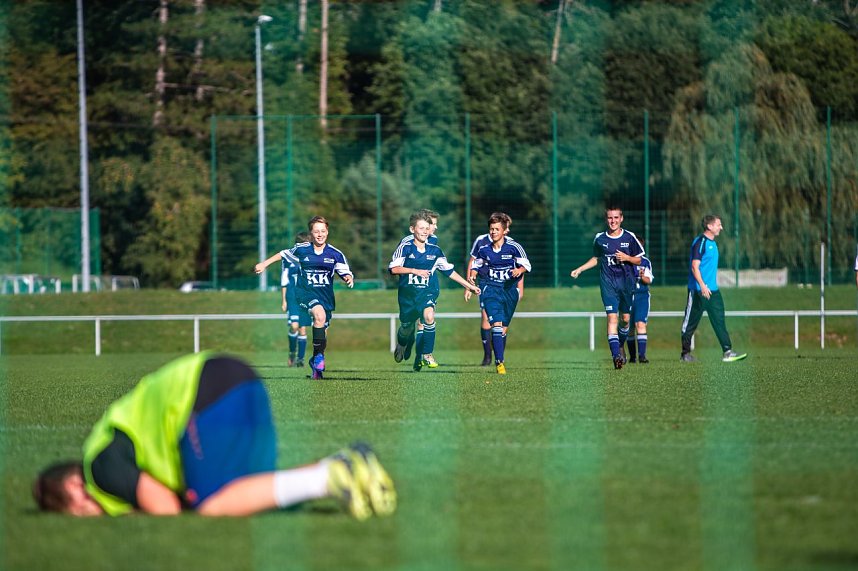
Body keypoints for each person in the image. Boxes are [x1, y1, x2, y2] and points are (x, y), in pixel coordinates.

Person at [33, 352, 396, 519]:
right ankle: (347, 466)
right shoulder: (109, 448)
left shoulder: (99, 467)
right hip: (237, 378)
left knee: (212, 507)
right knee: (252, 496)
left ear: (73, 489)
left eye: (78, 514)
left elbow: (166, 509)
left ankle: (331, 477)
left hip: (203, 392)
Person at [256, 216, 354, 379]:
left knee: (322, 329)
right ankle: (315, 358)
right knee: (319, 315)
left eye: (323, 231)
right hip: (305, 293)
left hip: (326, 297)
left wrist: (348, 278)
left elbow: (344, 271)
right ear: (311, 233)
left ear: (327, 232)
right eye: (316, 231)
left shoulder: (335, 254)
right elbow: (282, 254)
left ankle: (316, 363)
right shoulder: (302, 249)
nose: (320, 234)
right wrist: (264, 264)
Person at [391, 211, 480, 371]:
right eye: (422, 228)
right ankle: (403, 343)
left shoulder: (435, 250)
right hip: (408, 295)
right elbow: (393, 269)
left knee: (428, 316)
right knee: (406, 327)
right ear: (412, 229)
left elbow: (448, 271)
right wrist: (414, 271)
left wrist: (469, 285)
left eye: (428, 227)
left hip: (427, 292)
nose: (427, 231)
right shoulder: (405, 246)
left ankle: (427, 354)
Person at [570, 206, 644, 370]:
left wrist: (627, 258)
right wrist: (580, 269)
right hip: (608, 284)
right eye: (610, 218)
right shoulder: (600, 238)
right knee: (612, 318)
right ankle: (616, 356)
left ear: (621, 218)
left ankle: (619, 346)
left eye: (616, 217)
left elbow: (639, 260)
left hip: (626, 284)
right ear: (606, 219)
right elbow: (597, 258)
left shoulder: (630, 237)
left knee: (625, 319)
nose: (613, 221)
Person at [467, 213, 531, 374]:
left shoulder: (514, 247)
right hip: (490, 289)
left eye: (497, 229)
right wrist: (473, 275)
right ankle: (499, 362)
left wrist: (519, 270)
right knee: (496, 324)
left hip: (509, 291)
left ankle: (497, 356)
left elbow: (526, 265)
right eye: (491, 229)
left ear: (504, 231)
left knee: (503, 329)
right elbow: (475, 264)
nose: (493, 232)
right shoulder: (484, 249)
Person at [680, 214, 747, 363]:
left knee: (719, 321)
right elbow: (694, 267)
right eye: (718, 225)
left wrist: (708, 287)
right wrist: (702, 286)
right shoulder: (700, 243)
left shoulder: (713, 243)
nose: (721, 228)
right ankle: (685, 354)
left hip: (713, 291)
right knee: (690, 323)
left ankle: (728, 352)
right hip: (698, 291)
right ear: (709, 226)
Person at [395, 209, 441, 371]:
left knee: (425, 320)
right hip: (409, 290)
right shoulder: (408, 242)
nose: (433, 228)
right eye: (431, 224)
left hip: (427, 288)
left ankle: (420, 356)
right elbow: (398, 265)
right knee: (408, 326)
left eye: (434, 225)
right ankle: (404, 343)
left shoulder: (434, 241)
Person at [281, 231, 311, 367]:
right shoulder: (288, 258)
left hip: (304, 297)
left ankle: (301, 359)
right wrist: (284, 300)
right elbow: (284, 279)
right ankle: (292, 352)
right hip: (292, 297)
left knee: (303, 329)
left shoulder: (310, 259)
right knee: (294, 327)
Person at [626, 252, 654, 364]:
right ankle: (632, 357)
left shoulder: (645, 262)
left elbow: (649, 280)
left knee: (640, 324)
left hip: (641, 297)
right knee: (629, 327)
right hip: (627, 296)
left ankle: (642, 356)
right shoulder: (625, 260)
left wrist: (642, 276)